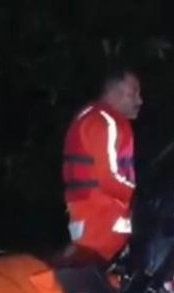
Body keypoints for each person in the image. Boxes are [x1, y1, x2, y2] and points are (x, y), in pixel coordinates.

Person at [61, 66, 142, 262]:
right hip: (99, 222)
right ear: (114, 91)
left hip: (93, 219)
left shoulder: (95, 118)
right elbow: (108, 178)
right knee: (89, 271)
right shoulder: (104, 122)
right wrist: (142, 198)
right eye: (133, 93)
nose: (139, 101)